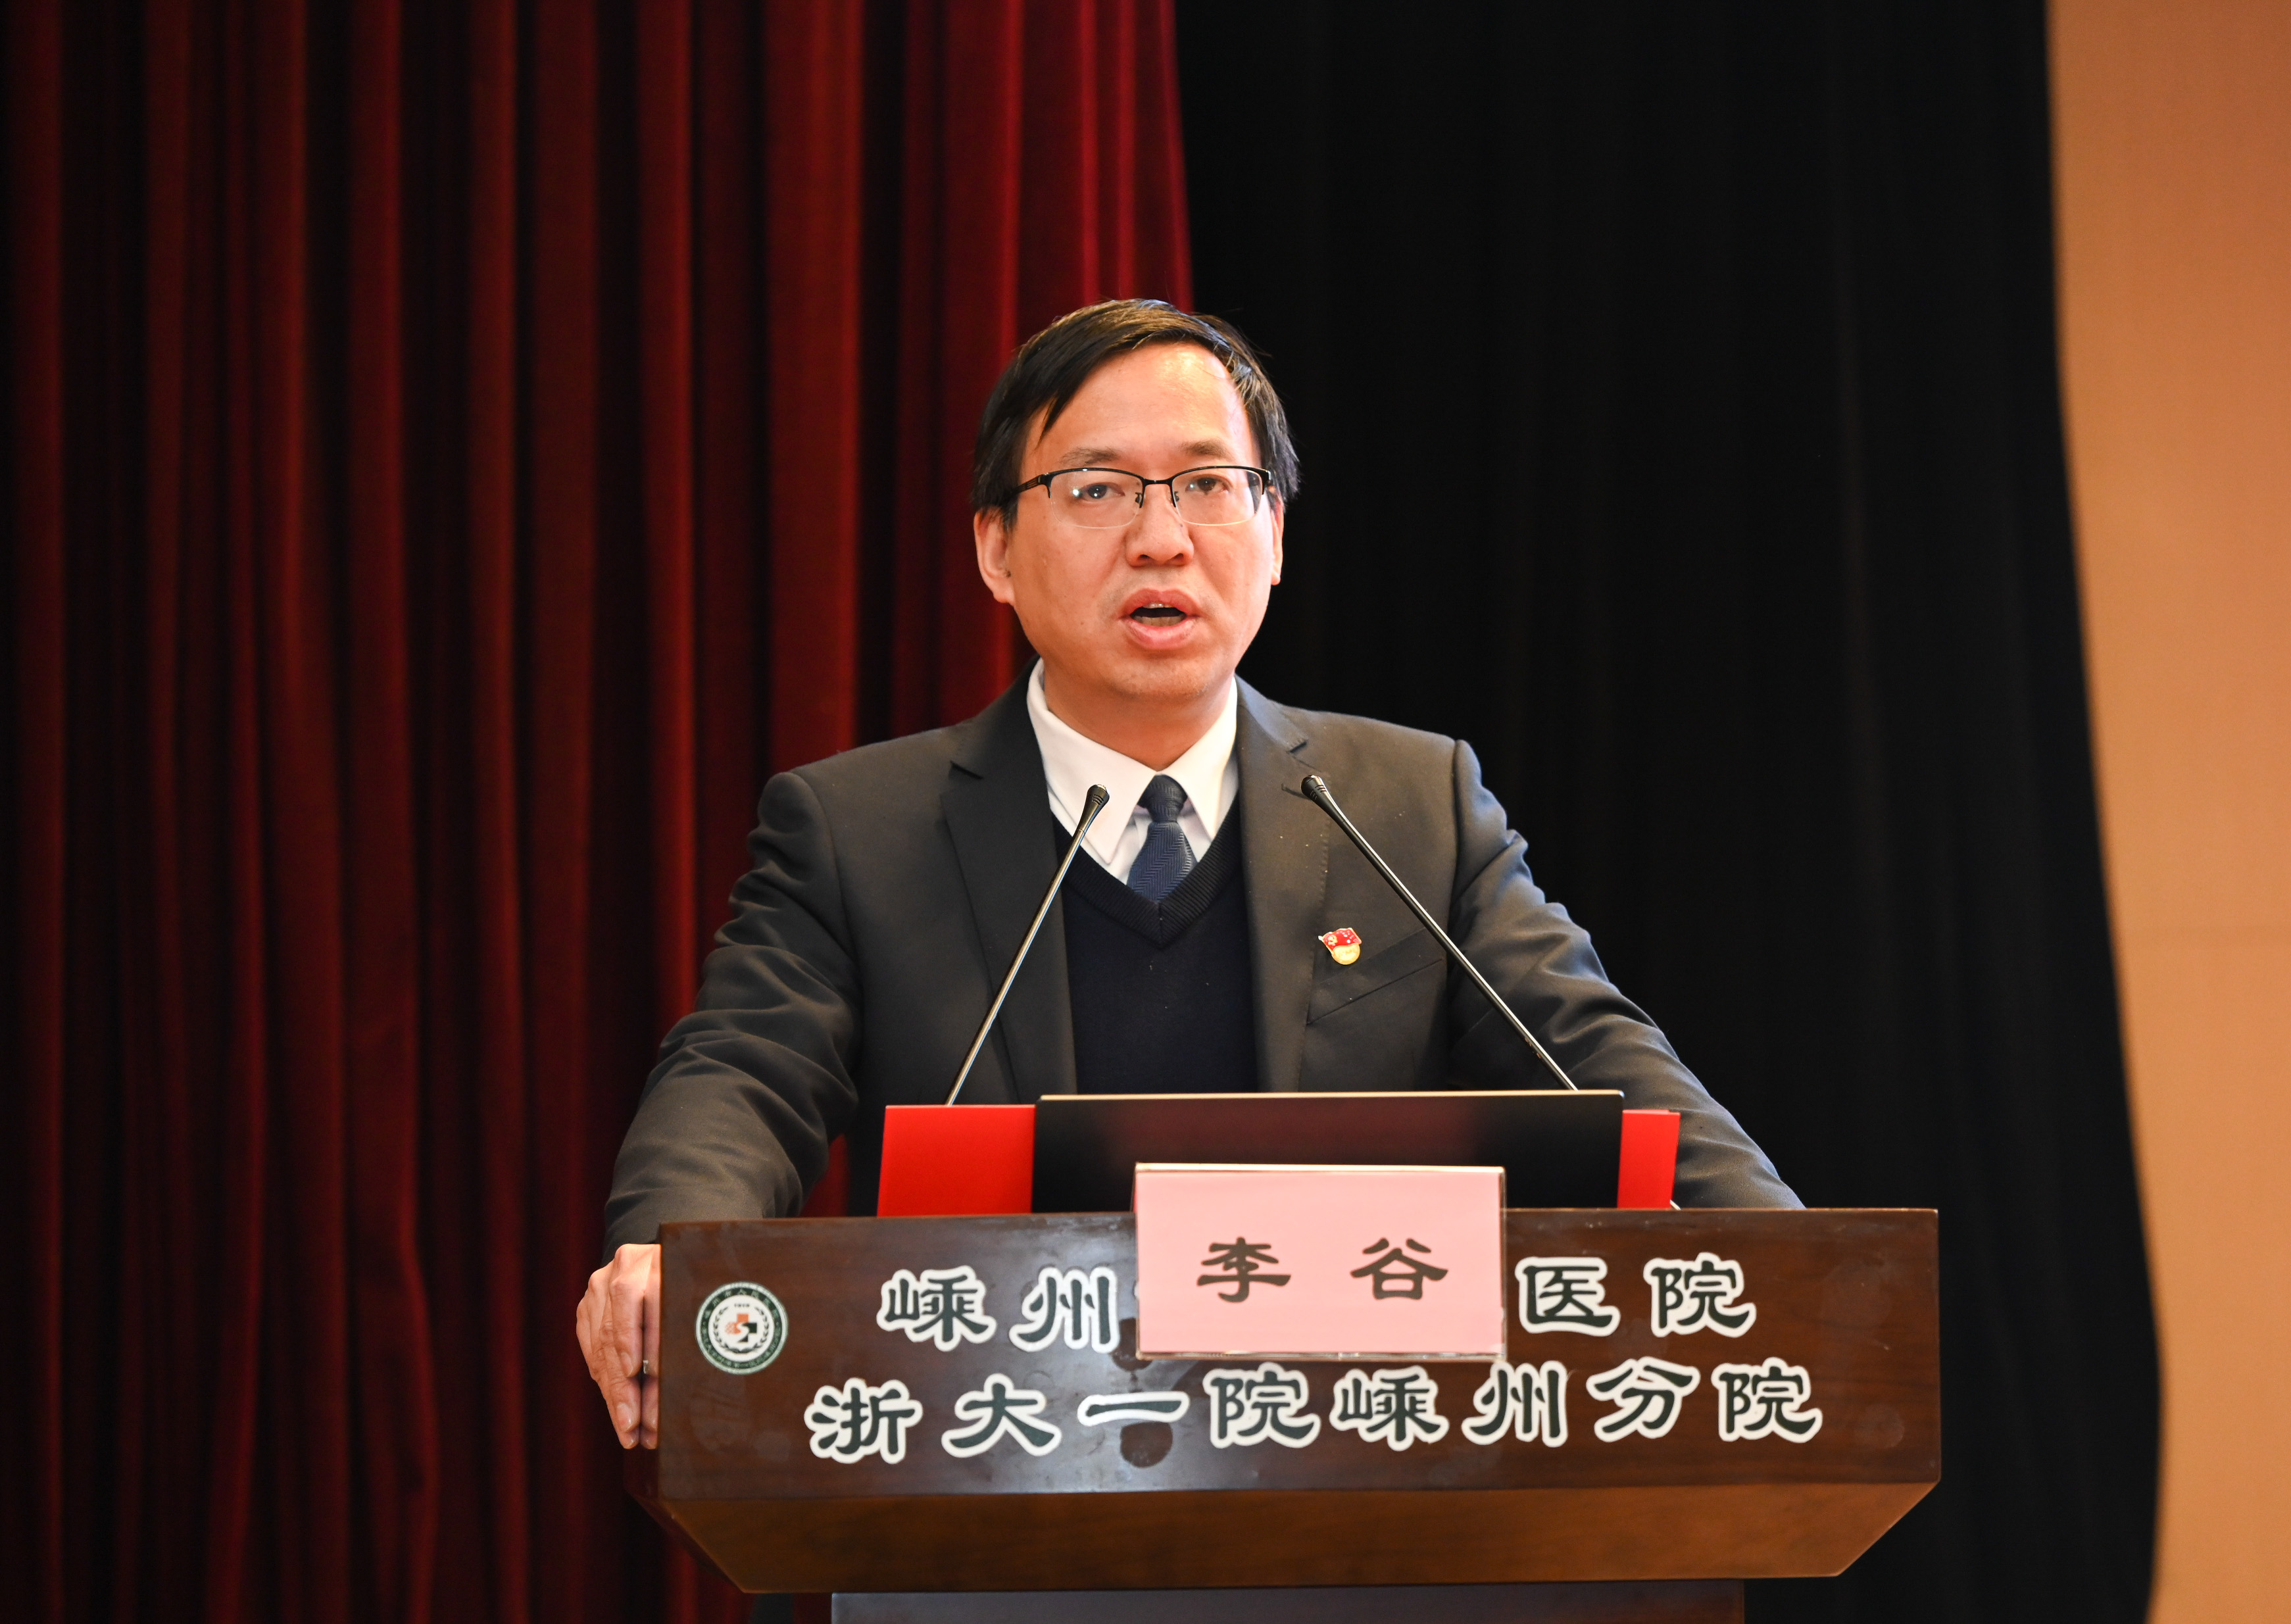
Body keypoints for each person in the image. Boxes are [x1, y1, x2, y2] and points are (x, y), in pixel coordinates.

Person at [574, 299, 1797, 1453]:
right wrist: (671, 1248)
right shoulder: (858, 829)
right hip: (994, 1460)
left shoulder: (1408, 807)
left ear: (1274, 534)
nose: (1161, 537)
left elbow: (1594, 1054)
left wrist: (1791, 1261)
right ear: (996, 548)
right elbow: (744, 1071)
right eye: (1097, 488)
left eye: (1210, 485)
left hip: (1353, 1480)